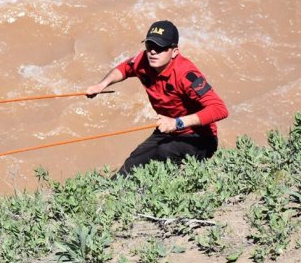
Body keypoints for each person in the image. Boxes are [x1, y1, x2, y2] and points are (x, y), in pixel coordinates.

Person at [85, 20, 228, 175]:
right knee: (131, 165)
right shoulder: (143, 60)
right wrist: (101, 85)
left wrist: (177, 123)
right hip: (167, 130)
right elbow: (124, 68)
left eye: (160, 48)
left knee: (164, 151)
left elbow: (219, 109)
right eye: (149, 46)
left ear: (174, 52)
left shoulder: (186, 74)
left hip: (199, 137)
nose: (153, 52)